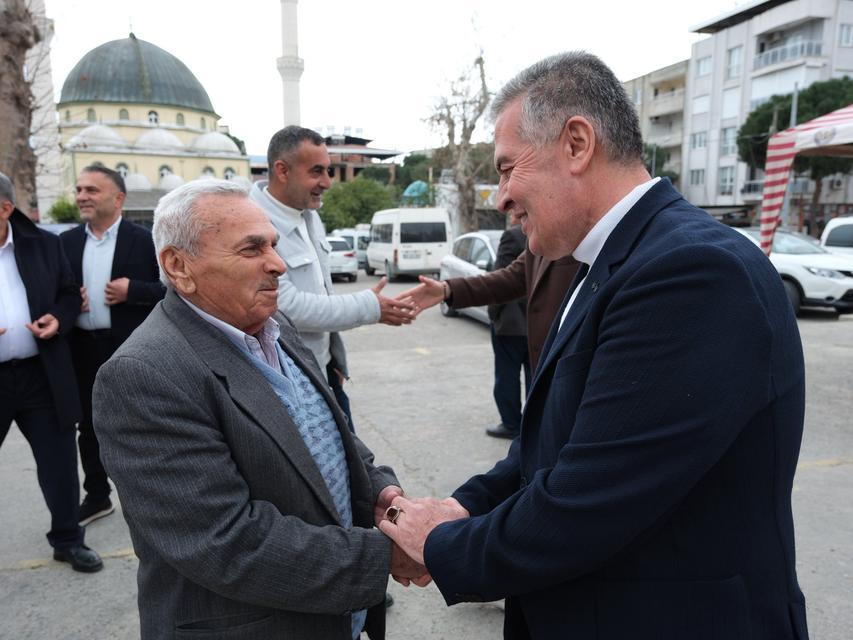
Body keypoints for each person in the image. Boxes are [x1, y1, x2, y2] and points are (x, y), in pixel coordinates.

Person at [380, 52, 809, 640]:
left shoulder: (690, 271)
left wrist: (441, 544)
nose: (500, 197)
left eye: (507, 169)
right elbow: (556, 442)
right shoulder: (605, 262)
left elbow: (591, 498)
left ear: (576, 144)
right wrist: (466, 506)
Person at [92, 179, 426, 640]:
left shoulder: (274, 324)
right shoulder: (144, 376)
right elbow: (226, 541)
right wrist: (386, 555)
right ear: (179, 266)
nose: (278, 264)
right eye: (252, 249)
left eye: (274, 244)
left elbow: (328, 434)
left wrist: (380, 493)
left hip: (334, 617)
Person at [249, 126, 415, 430]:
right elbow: (284, 307)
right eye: (316, 171)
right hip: (289, 380)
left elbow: (322, 290)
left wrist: (334, 358)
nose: (327, 182)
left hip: (324, 368)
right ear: (282, 170)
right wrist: (370, 307)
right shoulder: (253, 224)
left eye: (328, 170)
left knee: (349, 453)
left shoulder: (310, 215)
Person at [0, 171, 102, 573]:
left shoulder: (44, 244)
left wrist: (58, 318)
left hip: (40, 375)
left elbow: (68, 294)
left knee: (58, 464)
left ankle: (68, 540)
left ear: (5, 209)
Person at [60, 166, 165, 527]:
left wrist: (132, 290)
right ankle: (97, 496)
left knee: (140, 424)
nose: (82, 196)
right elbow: (49, 292)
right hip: (81, 349)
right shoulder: (66, 243)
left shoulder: (145, 240)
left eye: (91, 190)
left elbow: (172, 290)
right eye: (79, 189)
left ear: (118, 198)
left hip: (129, 349)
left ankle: (156, 498)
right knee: (88, 427)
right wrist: (68, 301)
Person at [397, 236, 579, 375]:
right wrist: (447, 290)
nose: (504, 207)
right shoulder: (538, 239)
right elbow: (510, 279)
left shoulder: (583, 237)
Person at [483, 224, 530, 439]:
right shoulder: (551, 229)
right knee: (536, 376)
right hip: (539, 322)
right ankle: (533, 424)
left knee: (507, 376)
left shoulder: (512, 236)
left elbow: (499, 281)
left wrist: (493, 314)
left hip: (511, 323)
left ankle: (511, 424)